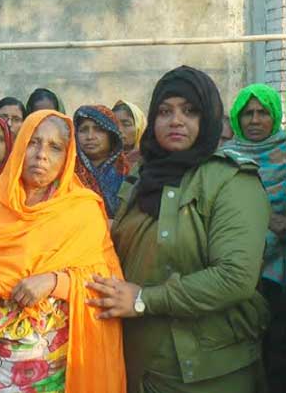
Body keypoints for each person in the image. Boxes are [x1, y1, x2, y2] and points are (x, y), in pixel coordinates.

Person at [87, 66, 270, 393]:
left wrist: (145, 298)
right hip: (137, 364)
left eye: (190, 111)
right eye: (165, 111)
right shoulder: (142, 177)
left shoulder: (231, 181)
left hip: (207, 372)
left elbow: (235, 276)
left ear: (209, 118)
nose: (175, 120)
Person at [0, 110, 126, 393]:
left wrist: (54, 282)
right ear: (19, 147)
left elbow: (104, 281)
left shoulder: (82, 209)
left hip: (52, 370)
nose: (41, 154)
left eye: (55, 147)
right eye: (33, 142)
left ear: (67, 157)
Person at [224, 83, 286, 392]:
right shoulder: (223, 158)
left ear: (274, 115)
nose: (255, 120)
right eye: (247, 113)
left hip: (280, 270)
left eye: (263, 112)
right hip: (235, 267)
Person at [74, 105, 129, 218]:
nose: (90, 136)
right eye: (83, 130)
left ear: (112, 134)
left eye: (98, 130)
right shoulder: (68, 173)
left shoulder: (128, 174)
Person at [112, 100, 147, 167]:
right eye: (115, 124)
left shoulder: (150, 162)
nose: (119, 130)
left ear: (139, 127)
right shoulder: (102, 162)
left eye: (126, 124)